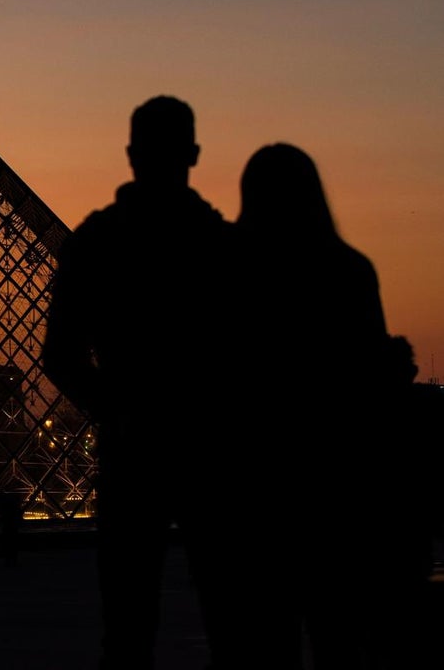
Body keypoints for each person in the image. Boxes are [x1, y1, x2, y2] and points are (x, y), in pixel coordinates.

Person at [41, 95, 242, 669]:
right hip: (214, 451)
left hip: (130, 453)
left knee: (127, 632)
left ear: (129, 154)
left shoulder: (94, 243)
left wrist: (115, 409)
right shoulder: (223, 245)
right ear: (195, 153)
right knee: (231, 626)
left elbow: (59, 355)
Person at [235, 144, 426, 669]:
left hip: (257, 495)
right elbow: (369, 387)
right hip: (337, 491)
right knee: (337, 642)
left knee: (263, 647)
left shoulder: (230, 271)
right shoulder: (350, 270)